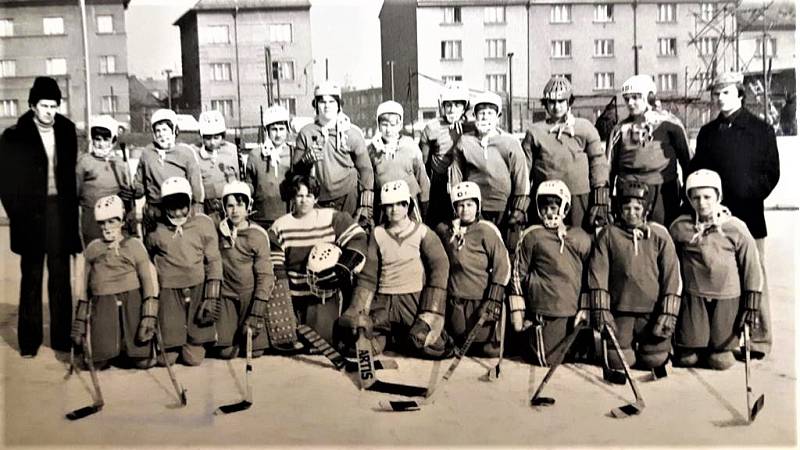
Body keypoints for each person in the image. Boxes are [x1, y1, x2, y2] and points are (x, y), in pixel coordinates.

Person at [689, 71, 780, 358]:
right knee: (721, 278)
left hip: (749, 216)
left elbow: (771, 173)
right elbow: (696, 172)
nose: (720, 98)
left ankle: (759, 340)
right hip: (714, 219)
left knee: (755, 277)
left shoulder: (760, 129)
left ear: (740, 94)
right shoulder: (707, 133)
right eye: (716, 93)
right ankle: (721, 338)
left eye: (726, 92)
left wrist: (746, 194)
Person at [0, 76, 81, 358]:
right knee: (31, 278)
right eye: (44, 105)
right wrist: (18, 214)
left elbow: (71, 176)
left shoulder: (67, 130)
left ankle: (61, 339)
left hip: (60, 212)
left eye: (54, 105)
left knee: (60, 277)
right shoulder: (15, 135)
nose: (50, 111)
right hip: (30, 216)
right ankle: (29, 341)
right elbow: (5, 182)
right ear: (33, 105)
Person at [338, 180, 452, 359]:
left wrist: (432, 311)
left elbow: (440, 266)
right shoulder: (377, 233)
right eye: (389, 205)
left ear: (408, 205)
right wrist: (358, 309)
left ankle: (407, 336)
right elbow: (369, 274)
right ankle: (386, 337)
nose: (394, 209)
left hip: (413, 298)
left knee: (428, 344)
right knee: (359, 341)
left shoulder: (422, 232)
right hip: (384, 300)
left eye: (400, 204)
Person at [669, 169, 763, 370]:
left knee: (720, 361)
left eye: (707, 197)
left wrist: (751, 303)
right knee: (687, 359)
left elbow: (751, 266)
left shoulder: (735, 227)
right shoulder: (680, 227)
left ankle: (719, 345)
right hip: (694, 296)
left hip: (727, 296)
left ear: (718, 197)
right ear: (689, 199)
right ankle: (695, 341)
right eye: (696, 197)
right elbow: (669, 262)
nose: (701, 203)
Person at [587, 180, 682, 371]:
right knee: (619, 361)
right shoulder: (608, 235)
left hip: (652, 311)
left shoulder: (659, 235)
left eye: (637, 208)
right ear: (619, 210)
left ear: (645, 209)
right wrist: (601, 309)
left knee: (653, 360)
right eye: (627, 208)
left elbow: (672, 276)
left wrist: (668, 311)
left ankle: (656, 349)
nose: (632, 213)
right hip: (621, 310)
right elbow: (598, 273)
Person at [268, 174, 367, 344]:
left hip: (325, 296)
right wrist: (285, 307)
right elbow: (278, 269)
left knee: (323, 342)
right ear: (292, 197)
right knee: (293, 342)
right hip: (294, 296)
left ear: (316, 198)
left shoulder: (330, 217)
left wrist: (344, 266)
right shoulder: (280, 226)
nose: (304, 200)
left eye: (309, 196)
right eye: (299, 196)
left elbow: (358, 238)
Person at [508, 180, 592, 365]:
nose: (549, 212)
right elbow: (517, 272)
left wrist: (585, 305)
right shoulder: (533, 235)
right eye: (544, 207)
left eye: (554, 207)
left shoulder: (579, 237)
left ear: (565, 207)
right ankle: (530, 333)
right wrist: (520, 307)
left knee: (574, 353)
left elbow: (590, 275)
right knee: (547, 359)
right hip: (545, 307)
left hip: (570, 309)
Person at [70, 195, 158, 369]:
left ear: (122, 221)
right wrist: (79, 320)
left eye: (112, 221)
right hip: (103, 302)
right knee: (97, 364)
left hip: (131, 301)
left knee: (144, 362)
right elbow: (83, 286)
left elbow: (150, 281)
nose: (107, 227)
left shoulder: (134, 245)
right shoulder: (93, 248)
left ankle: (129, 347)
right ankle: (107, 346)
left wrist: (149, 315)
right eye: (102, 223)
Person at [145, 177, 222, 366]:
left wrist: (211, 296)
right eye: (172, 208)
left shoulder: (203, 224)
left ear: (190, 202)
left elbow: (213, 259)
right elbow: (148, 259)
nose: (178, 213)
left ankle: (194, 339)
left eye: (182, 207)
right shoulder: (156, 230)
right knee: (166, 359)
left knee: (193, 359)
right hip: (169, 291)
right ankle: (172, 338)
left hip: (197, 288)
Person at [522, 76, 610, 232]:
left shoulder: (584, 127)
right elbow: (524, 168)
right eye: (552, 102)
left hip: (578, 195)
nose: (556, 107)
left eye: (561, 101)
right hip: (546, 196)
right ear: (546, 104)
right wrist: (522, 199)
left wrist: (600, 195)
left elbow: (598, 161)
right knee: (547, 239)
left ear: (569, 102)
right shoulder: (535, 131)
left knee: (579, 237)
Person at [607, 74, 692, 226]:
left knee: (663, 231)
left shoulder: (670, 124)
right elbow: (608, 167)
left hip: (663, 191)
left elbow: (687, 161)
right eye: (627, 99)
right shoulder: (620, 129)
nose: (630, 103)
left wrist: (689, 194)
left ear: (649, 97)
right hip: (629, 191)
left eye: (636, 97)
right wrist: (605, 199)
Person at [436, 181, 509, 356]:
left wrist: (494, 298)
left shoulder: (487, 230)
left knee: (486, 349)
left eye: (470, 204)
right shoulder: (445, 230)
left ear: (478, 205)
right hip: (456, 298)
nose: (465, 209)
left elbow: (502, 263)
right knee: (459, 342)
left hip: (480, 298)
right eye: (460, 205)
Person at [448, 91, 529, 242]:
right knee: (478, 244)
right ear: (475, 116)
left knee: (503, 246)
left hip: (503, 207)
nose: (485, 117)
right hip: (474, 206)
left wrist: (519, 208)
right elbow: (455, 175)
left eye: (490, 113)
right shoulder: (465, 141)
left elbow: (521, 176)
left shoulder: (509, 142)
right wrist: (456, 204)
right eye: (481, 113)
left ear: (498, 117)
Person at [293, 82, 374, 231]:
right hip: (318, 199)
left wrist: (366, 203)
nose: (327, 106)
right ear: (316, 105)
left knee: (349, 237)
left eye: (331, 101)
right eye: (322, 101)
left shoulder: (351, 133)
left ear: (339, 105)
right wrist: (305, 161)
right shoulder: (306, 133)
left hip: (348, 196)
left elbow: (365, 169)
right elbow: (295, 172)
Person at [214, 181, 273, 359]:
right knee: (226, 352)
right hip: (227, 296)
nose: (235, 211)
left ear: (248, 206)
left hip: (249, 295)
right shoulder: (217, 231)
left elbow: (265, 275)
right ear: (224, 207)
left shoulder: (257, 235)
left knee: (255, 351)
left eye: (240, 205)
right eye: (230, 205)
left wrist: (256, 312)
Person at [129, 109, 204, 234]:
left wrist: (197, 205)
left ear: (174, 130)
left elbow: (195, 184)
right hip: (155, 210)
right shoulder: (147, 153)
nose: (161, 134)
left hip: (178, 208)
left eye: (165, 130)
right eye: (157, 131)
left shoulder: (185, 153)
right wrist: (136, 189)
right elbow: (139, 182)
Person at [419, 82, 473, 229]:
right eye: (448, 105)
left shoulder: (471, 127)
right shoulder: (432, 127)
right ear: (442, 107)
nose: (452, 109)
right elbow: (423, 160)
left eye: (457, 105)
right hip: (439, 180)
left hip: (463, 176)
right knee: (437, 221)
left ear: (464, 108)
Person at [367, 100, 430, 223]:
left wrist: (425, 203)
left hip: (409, 202)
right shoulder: (372, 150)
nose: (388, 130)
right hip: (385, 203)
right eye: (384, 124)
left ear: (400, 125)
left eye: (393, 124)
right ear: (378, 125)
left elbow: (421, 177)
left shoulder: (410, 146)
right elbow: (369, 180)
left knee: (413, 232)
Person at [75, 115, 131, 245]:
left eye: (105, 139)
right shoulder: (85, 162)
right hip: (92, 219)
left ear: (113, 141)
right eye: (97, 139)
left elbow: (128, 192)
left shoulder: (119, 163)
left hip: (114, 217)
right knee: (96, 253)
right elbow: (74, 192)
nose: (100, 144)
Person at [246, 104, 294, 229]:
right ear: (267, 130)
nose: (278, 134)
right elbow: (250, 184)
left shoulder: (293, 153)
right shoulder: (255, 155)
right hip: (261, 216)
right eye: (274, 129)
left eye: (281, 129)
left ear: (287, 130)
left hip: (287, 215)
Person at [195, 110, 240, 224]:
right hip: (206, 204)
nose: (212, 142)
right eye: (208, 138)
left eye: (216, 137)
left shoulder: (231, 150)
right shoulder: (194, 152)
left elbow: (238, 176)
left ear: (223, 136)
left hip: (227, 201)